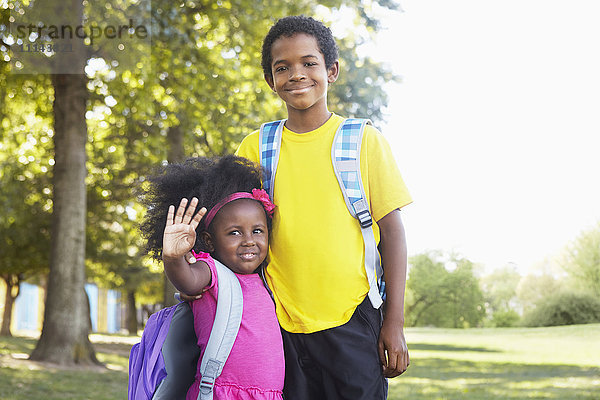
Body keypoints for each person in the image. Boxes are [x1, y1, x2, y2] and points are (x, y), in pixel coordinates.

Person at [236, 15, 412, 400]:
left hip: (353, 318)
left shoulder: (363, 141)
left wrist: (394, 322)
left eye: (309, 63)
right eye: (282, 67)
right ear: (271, 80)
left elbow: (393, 233)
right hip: (277, 321)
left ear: (331, 71)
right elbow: (232, 232)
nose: (296, 74)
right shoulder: (256, 148)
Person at [140, 155, 284, 400]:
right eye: (234, 233)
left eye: (257, 231)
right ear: (209, 241)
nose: (249, 240)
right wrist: (173, 257)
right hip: (222, 394)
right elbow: (187, 280)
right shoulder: (212, 272)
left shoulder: (266, 278)